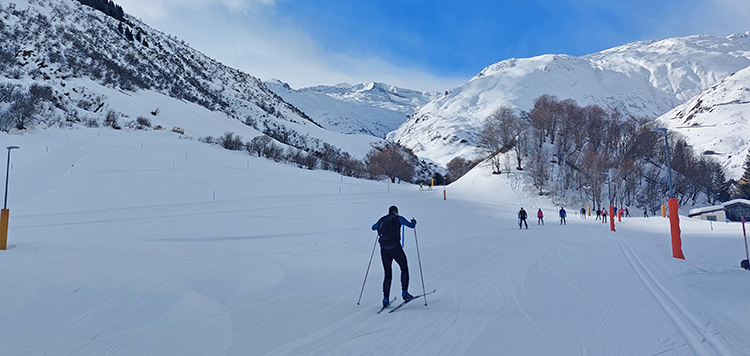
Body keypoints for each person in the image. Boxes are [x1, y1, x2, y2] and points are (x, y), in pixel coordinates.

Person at [372, 205, 417, 307]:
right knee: (404, 268)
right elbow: (411, 226)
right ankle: (405, 293)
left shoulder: (382, 220)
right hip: (396, 248)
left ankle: (385, 299)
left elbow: (373, 227)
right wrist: (414, 221)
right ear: (396, 212)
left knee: (387, 274)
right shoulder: (399, 219)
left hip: (384, 250)